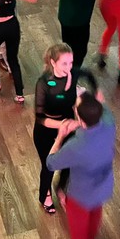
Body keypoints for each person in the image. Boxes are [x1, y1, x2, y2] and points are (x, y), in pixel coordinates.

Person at [46, 91, 116, 239]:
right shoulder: (109, 123)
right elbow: (103, 107)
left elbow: (51, 163)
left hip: (80, 196)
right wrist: (91, 101)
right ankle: (91, 237)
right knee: (97, 209)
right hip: (103, 184)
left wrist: (60, 136)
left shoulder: (76, 146)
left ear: (81, 119)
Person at [34, 44, 98, 214]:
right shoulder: (43, 83)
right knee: (48, 166)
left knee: (69, 161)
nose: (69, 67)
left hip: (68, 125)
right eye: (64, 63)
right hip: (46, 130)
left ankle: (61, 188)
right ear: (53, 62)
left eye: (71, 62)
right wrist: (63, 125)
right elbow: (40, 117)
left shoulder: (73, 73)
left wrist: (96, 93)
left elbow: (89, 74)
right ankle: (45, 194)